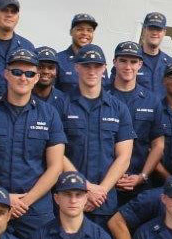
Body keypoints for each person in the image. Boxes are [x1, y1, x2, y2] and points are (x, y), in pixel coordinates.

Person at [0, 48, 67, 238]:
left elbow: (55, 167)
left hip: (34, 210)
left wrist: (26, 201)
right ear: (6, 74)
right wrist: (2, 197)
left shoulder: (49, 114)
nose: (23, 78)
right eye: (17, 72)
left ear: (36, 77)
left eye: (29, 74)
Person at [55, 44, 133, 228]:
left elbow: (124, 157)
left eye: (97, 66)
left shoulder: (118, 108)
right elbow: (56, 153)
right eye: (86, 65)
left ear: (104, 68)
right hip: (70, 197)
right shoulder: (60, 106)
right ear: (77, 67)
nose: (92, 71)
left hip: (104, 201)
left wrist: (101, 191)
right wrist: (86, 188)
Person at [108, 41, 162, 205]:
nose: (128, 66)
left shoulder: (151, 101)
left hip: (139, 183)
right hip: (105, 183)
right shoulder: (102, 96)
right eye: (123, 61)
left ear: (140, 64)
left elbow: (158, 145)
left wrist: (142, 177)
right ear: (114, 62)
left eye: (133, 62)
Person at [135, 12, 172, 98]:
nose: (154, 33)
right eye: (151, 29)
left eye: (158, 29)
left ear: (164, 32)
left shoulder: (171, 64)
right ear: (144, 29)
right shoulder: (131, 60)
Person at [56, 12, 99, 90]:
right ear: (71, 32)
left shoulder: (99, 61)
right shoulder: (58, 60)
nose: (85, 33)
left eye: (89, 30)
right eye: (80, 29)